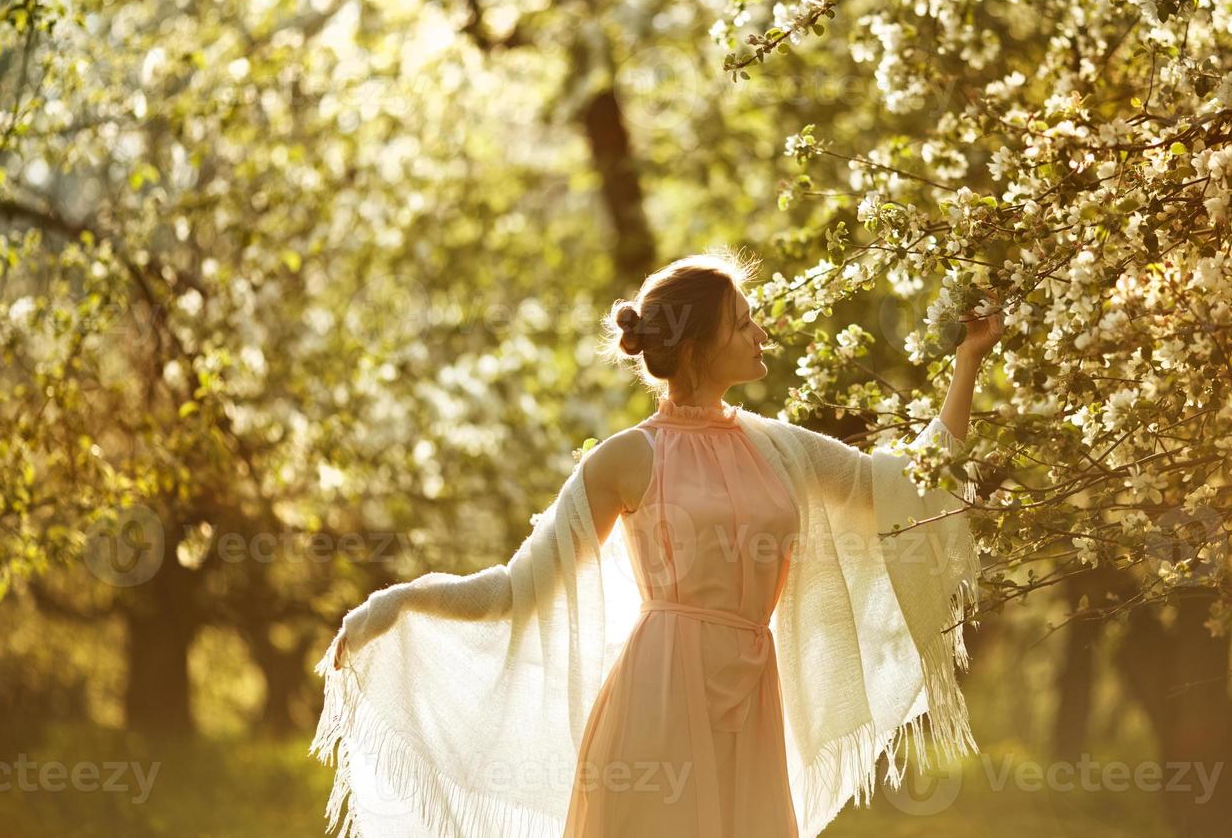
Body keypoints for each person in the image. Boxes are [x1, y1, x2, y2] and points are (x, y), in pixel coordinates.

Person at [315, 247, 1005, 838]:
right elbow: (515, 590)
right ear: (700, 346)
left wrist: (968, 360)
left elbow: (910, 483)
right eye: (744, 322)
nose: (763, 332)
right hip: (658, 703)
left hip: (752, 698)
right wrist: (393, 605)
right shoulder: (624, 460)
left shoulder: (781, 449)